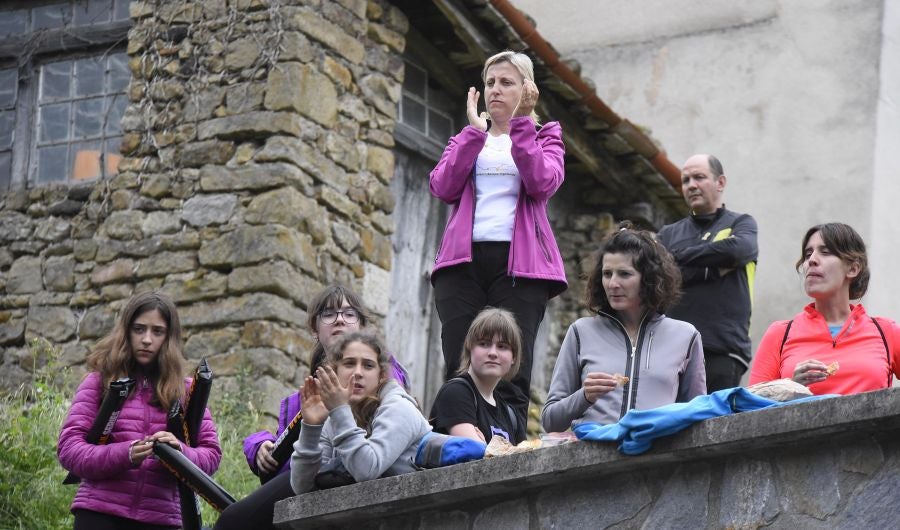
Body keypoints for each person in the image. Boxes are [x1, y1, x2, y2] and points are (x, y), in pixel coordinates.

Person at [430, 50, 567, 417]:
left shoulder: (546, 137)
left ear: (527, 89)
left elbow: (542, 183)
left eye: (506, 82)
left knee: (511, 366)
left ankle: (508, 441)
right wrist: (474, 135)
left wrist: (521, 125)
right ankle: (459, 436)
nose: (495, 89)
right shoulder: (466, 139)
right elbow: (442, 187)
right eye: (490, 82)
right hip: (462, 265)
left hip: (520, 267)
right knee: (459, 362)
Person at [216, 285, 410, 530]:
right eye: (329, 314)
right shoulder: (303, 395)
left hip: (351, 470)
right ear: (314, 329)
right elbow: (290, 447)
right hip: (307, 478)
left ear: (362, 326)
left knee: (234, 520)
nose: (339, 319)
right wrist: (259, 446)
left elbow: (382, 426)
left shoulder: (383, 373)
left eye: (349, 314)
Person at [57, 291, 221, 530]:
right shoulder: (99, 382)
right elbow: (69, 450)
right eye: (139, 329)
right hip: (99, 513)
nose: (146, 339)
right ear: (126, 332)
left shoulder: (186, 391)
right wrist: (126, 454)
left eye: (157, 331)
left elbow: (212, 457)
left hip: (162, 519)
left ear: (169, 338)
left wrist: (179, 453)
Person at [542, 224, 707, 432]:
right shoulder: (581, 332)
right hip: (593, 452)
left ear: (649, 279)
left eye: (624, 274)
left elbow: (698, 417)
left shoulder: (686, 336)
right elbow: (550, 421)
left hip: (658, 452)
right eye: (607, 274)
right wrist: (584, 396)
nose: (612, 283)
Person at [749, 223, 900, 395]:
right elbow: (750, 405)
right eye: (808, 254)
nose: (811, 260)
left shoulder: (886, 332)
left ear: (853, 268)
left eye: (825, 252)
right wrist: (790, 388)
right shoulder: (779, 334)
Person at [657, 154, 758, 391]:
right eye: (686, 180)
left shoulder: (741, 223)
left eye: (699, 177)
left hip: (722, 351)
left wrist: (676, 256)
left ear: (720, 182)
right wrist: (710, 272)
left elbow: (738, 250)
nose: (691, 185)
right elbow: (658, 273)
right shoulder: (668, 234)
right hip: (671, 353)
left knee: (714, 417)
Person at [291, 331, 432, 494]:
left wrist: (339, 411)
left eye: (368, 365)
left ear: (381, 376)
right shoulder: (333, 418)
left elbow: (367, 470)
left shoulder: (399, 407)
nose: (358, 372)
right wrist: (311, 428)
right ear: (335, 371)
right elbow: (302, 487)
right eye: (349, 364)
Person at [429, 308, 527, 445]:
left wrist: (485, 446)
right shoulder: (456, 393)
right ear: (469, 348)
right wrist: (487, 449)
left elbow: (524, 457)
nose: (493, 353)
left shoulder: (510, 415)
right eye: (484, 344)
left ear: (513, 357)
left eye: (502, 346)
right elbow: (474, 452)